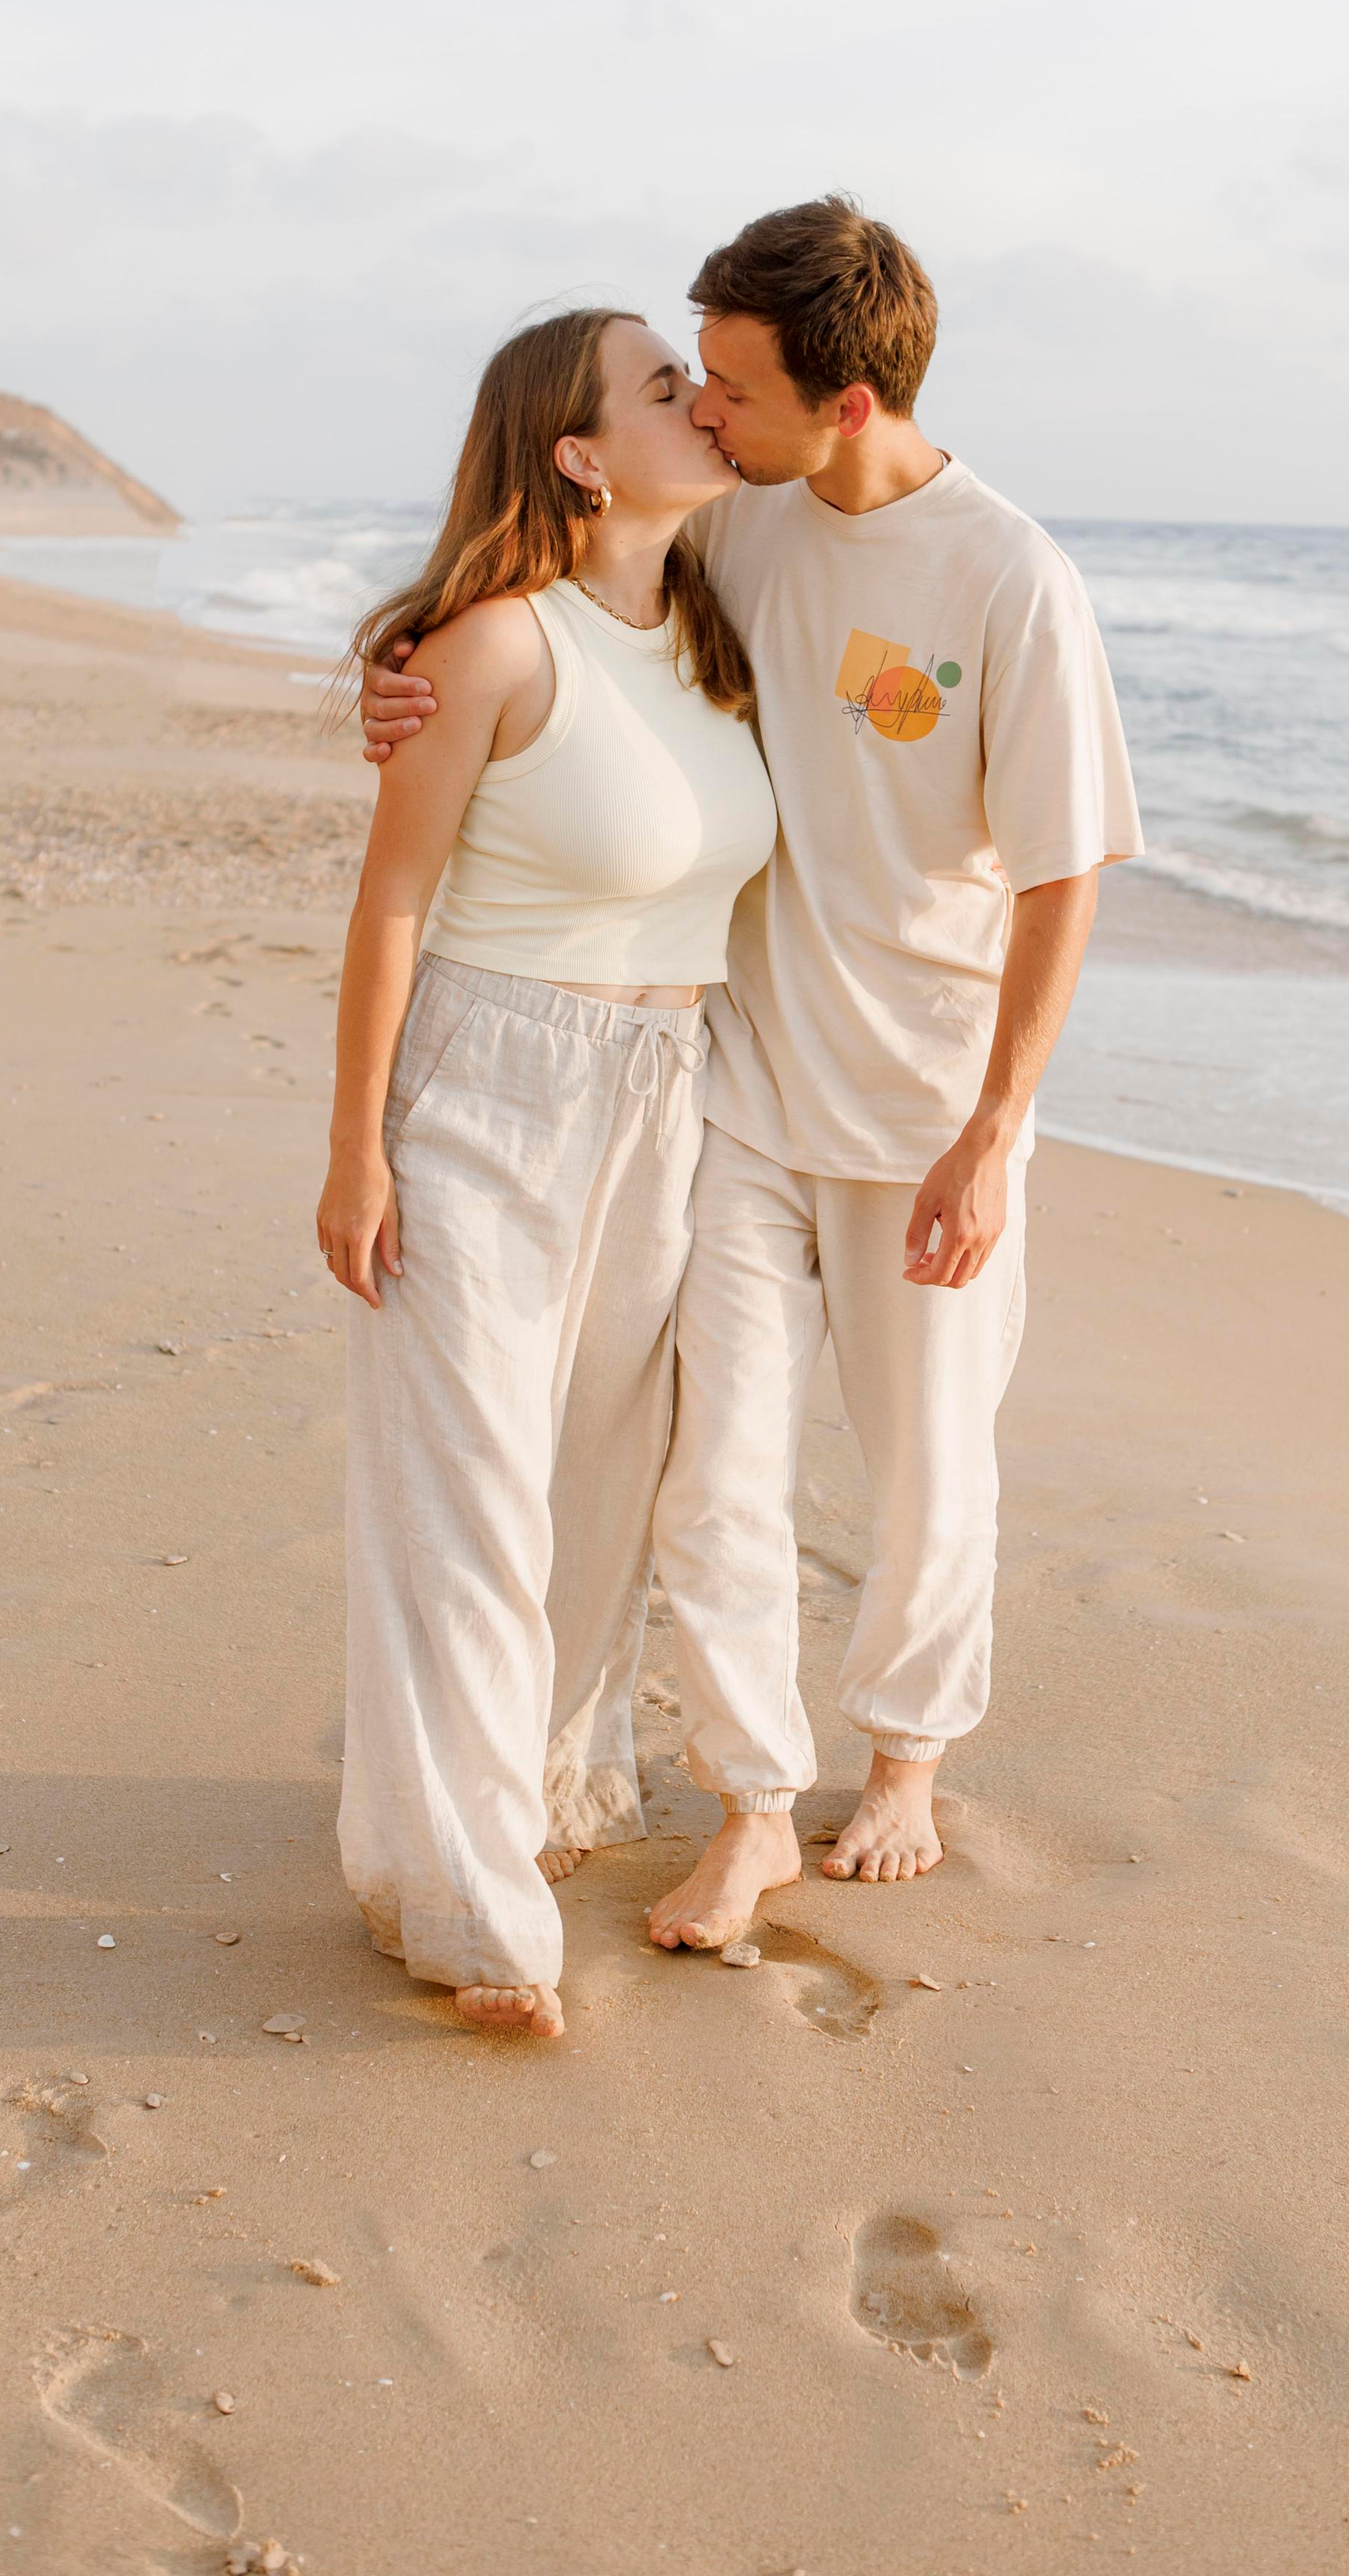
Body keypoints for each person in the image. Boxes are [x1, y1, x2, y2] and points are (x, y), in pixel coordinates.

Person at [361, 199, 1142, 1954]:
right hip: (730, 1085)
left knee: (930, 1462)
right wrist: (396, 693)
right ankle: (751, 1806)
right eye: (692, 383)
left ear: (845, 401)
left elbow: (1060, 870)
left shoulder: (1008, 575)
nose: (706, 415)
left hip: (927, 1111)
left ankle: (907, 1770)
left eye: (730, 386)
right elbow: (572, 638)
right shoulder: (743, 534)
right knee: (719, 1469)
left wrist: (996, 1133)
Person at [318, 306, 776, 2035]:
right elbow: (391, 903)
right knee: (467, 1498)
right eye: (665, 388)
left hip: (663, 1087)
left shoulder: (721, 626)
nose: (701, 404)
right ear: (577, 453)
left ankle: (529, 1788)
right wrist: (355, 1146)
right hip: (485, 1088)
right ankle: (464, 1899)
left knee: (596, 1483)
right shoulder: (495, 646)